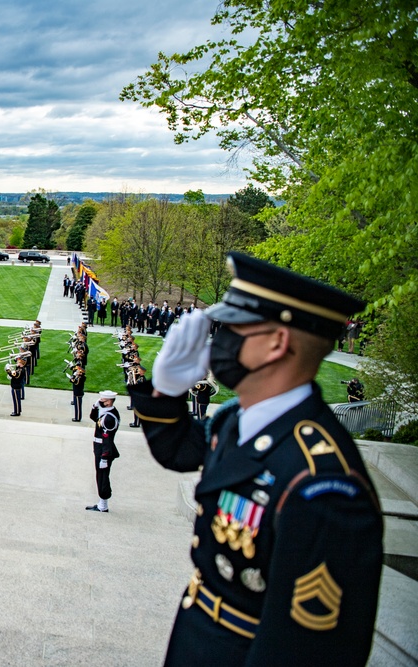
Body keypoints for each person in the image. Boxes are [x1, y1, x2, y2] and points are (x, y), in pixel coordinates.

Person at [129, 252, 382, 666]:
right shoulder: (238, 419)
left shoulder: (323, 485)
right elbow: (180, 452)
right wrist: (166, 390)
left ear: (277, 343)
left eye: (232, 329)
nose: (219, 340)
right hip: (198, 638)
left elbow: (308, 650)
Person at [86, 390, 120, 512]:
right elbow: (94, 418)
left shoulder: (109, 418)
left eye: (103, 401)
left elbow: (107, 439)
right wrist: (95, 406)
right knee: (100, 475)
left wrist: (104, 457)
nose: (101, 402)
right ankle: (102, 503)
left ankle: (103, 505)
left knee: (102, 476)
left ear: (109, 401)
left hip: (103, 449)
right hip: (99, 447)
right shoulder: (107, 413)